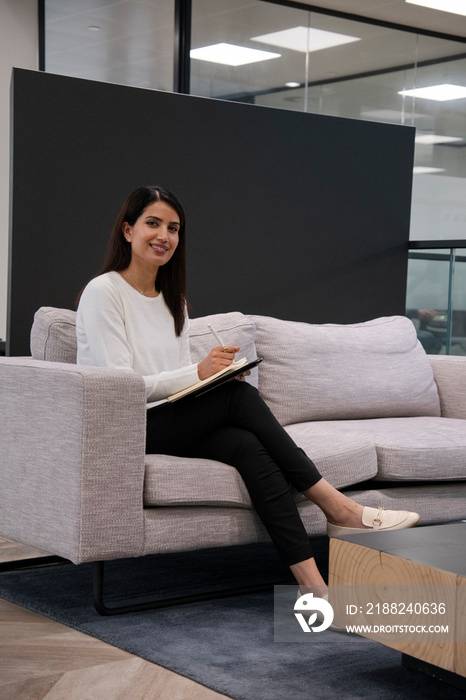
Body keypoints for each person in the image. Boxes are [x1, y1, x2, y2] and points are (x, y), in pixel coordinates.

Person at [76, 185, 420, 600]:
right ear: (128, 230)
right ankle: (340, 508)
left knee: (248, 448)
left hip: (170, 416)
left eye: (173, 228)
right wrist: (197, 373)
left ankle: (315, 589)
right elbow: (118, 387)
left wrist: (210, 379)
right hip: (126, 424)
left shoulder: (174, 300)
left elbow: (177, 378)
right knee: (237, 399)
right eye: (153, 224)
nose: (163, 236)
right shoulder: (104, 292)